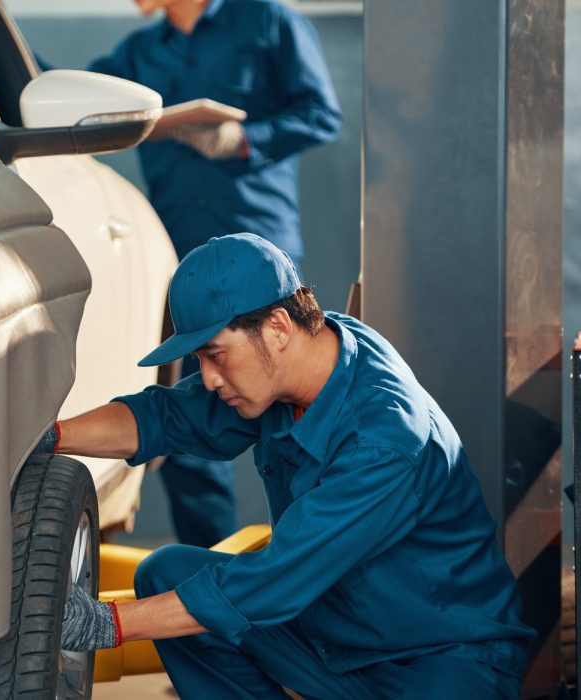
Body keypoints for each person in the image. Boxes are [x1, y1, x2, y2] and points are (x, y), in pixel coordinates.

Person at [36, 233, 535, 699]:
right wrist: (48, 437)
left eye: (215, 355)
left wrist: (109, 623)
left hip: (440, 659)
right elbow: (165, 417)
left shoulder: (383, 440)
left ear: (277, 326)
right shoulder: (307, 357)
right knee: (166, 574)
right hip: (335, 641)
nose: (208, 379)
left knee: (230, 595)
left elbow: (275, 581)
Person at [87, 0, 343, 547]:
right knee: (193, 416)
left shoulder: (268, 21)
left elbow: (322, 112)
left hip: (258, 257)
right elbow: (47, 86)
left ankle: (307, 559)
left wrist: (245, 140)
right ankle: (209, 567)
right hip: (181, 258)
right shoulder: (138, 53)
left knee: (288, 413)